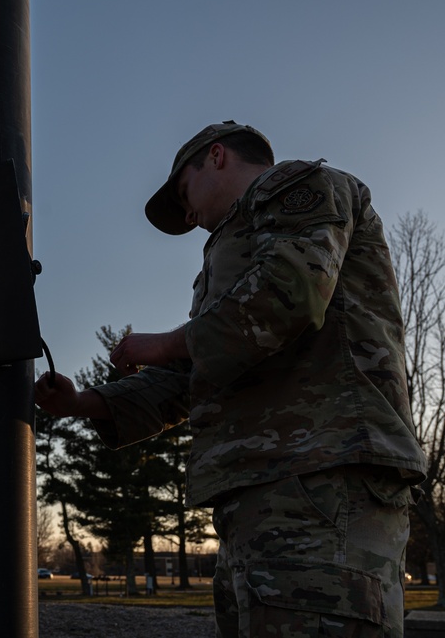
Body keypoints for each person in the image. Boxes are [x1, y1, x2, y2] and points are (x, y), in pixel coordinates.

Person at [35, 121, 427, 637]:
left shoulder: (293, 184)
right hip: (259, 498)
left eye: (184, 194)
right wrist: (82, 403)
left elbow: (290, 294)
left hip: (321, 480)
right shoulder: (229, 257)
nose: (189, 214)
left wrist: (167, 342)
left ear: (216, 156)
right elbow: (195, 378)